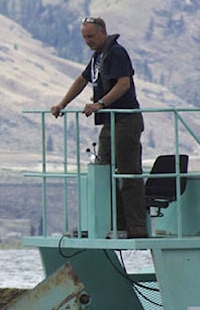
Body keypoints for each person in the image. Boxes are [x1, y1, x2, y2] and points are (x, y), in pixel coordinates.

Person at [50, 16, 147, 238]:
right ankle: (113, 222)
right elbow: (82, 80)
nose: (88, 41)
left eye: (91, 36)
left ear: (103, 33)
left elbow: (124, 84)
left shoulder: (116, 53)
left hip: (125, 119)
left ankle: (136, 226)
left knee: (129, 172)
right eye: (84, 37)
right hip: (109, 121)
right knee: (104, 171)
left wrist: (100, 104)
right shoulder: (98, 57)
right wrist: (62, 103)